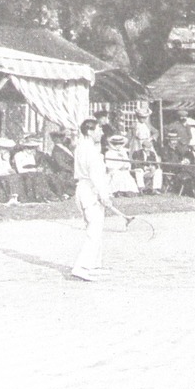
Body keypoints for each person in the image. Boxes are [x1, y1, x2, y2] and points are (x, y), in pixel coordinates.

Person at [71, 118, 123, 281]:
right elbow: (96, 176)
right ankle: (81, 267)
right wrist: (104, 195)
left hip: (85, 189)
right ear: (89, 131)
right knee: (94, 230)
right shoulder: (90, 151)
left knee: (96, 227)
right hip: (90, 190)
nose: (101, 132)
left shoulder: (82, 147)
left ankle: (93, 265)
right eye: (99, 129)